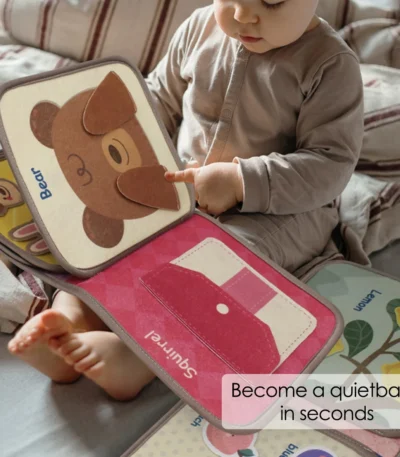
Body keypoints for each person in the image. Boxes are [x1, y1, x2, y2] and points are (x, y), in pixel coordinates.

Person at [7, 0, 364, 400]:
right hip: (184, 193)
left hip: (282, 211)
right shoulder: (199, 28)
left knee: (216, 268)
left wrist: (240, 181)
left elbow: (330, 164)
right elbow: (154, 102)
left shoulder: (329, 65)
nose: (243, 16)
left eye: (271, 1)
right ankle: (71, 317)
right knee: (118, 240)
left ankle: (139, 358)